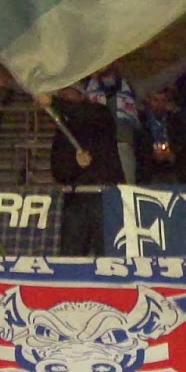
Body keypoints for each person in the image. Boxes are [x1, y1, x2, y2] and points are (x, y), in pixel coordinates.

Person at [46, 87, 123, 255]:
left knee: (109, 255)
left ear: (82, 94)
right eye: (60, 93)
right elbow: (58, 171)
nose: (63, 95)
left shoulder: (100, 114)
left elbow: (82, 112)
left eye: (69, 91)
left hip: (105, 197)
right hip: (76, 199)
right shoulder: (63, 131)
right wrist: (75, 164)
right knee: (71, 257)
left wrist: (53, 102)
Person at [82, 65, 141, 184]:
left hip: (122, 145)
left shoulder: (129, 87)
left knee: (126, 191)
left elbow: (162, 79)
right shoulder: (86, 89)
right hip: (97, 147)